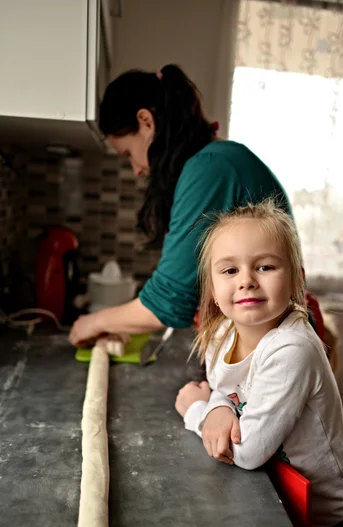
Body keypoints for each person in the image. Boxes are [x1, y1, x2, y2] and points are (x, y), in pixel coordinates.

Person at [174, 200, 343, 527]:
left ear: (297, 281)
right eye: (230, 270)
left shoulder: (292, 350)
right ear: (214, 290)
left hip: (337, 517)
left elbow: (247, 452)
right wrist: (217, 407)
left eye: (264, 266)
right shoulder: (220, 337)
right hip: (293, 500)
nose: (246, 280)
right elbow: (225, 388)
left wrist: (196, 411)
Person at [69, 64, 293, 347]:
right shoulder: (211, 162)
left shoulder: (210, 169)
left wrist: (93, 321)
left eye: (128, 152)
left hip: (272, 346)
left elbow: (168, 302)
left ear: (146, 121)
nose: (136, 169)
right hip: (257, 340)